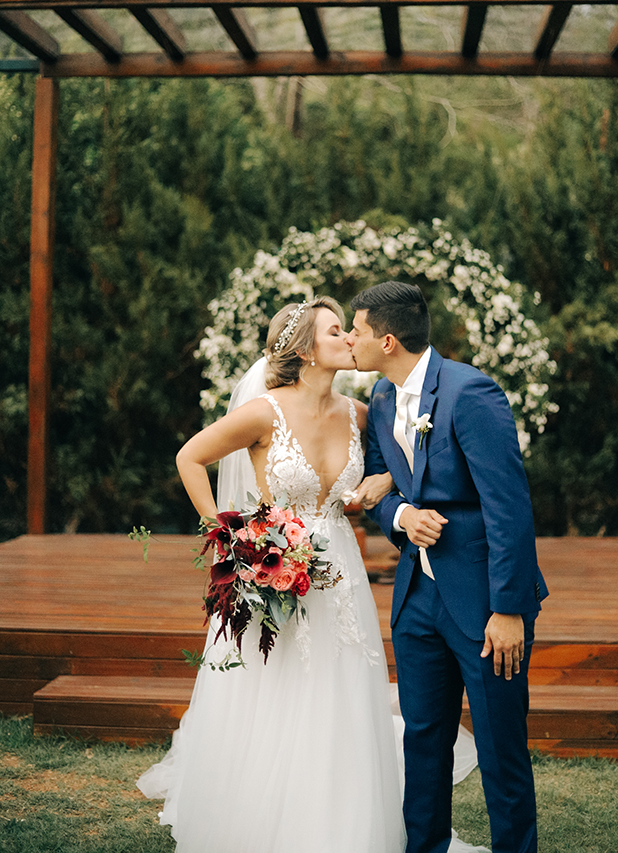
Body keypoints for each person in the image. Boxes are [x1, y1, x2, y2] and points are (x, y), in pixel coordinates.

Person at [137, 296, 484, 853]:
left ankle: (343, 825)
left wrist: (388, 490)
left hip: (340, 573)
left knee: (342, 691)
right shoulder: (262, 412)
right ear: (303, 349)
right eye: (336, 331)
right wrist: (230, 537)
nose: (350, 338)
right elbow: (189, 457)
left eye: (349, 330)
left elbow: (408, 467)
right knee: (276, 691)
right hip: (275, 566)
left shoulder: (362, 413)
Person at [346, 281, 548, 853]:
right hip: (416, 600)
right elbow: (381, 488)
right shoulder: (383, 401)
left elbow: (509, 507)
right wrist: (402, 515)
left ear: (388, 340)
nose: (349, 341)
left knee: (500, 747)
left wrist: (508, 609)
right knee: (424, 742)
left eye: (356, 331)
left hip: (484, 600)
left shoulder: (471, 392)